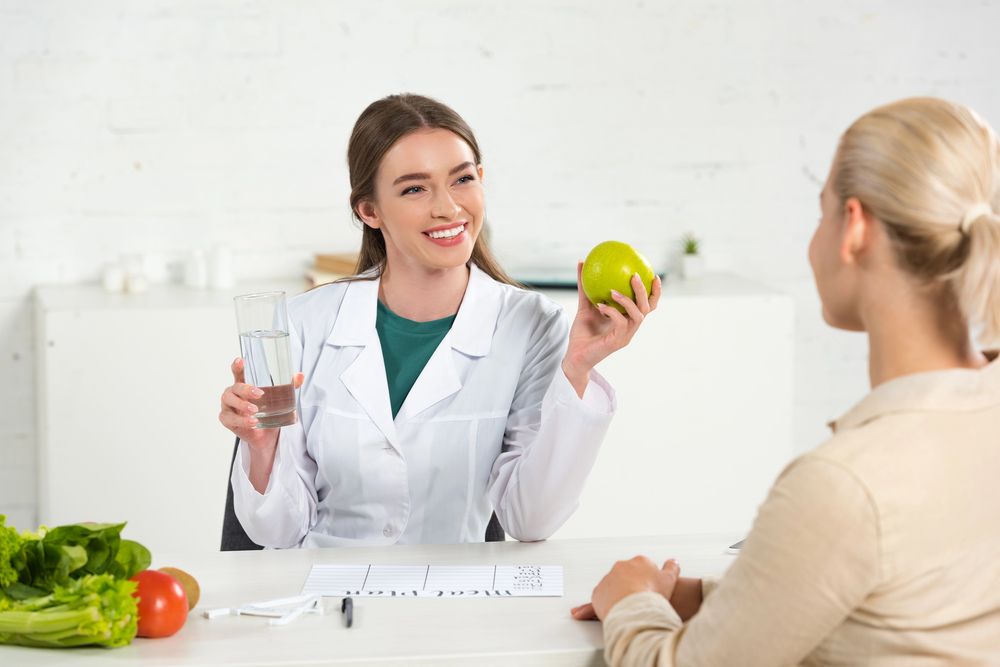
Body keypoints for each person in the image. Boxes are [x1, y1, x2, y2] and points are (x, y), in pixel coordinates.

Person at [573, 97, 1000, 665]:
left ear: (854, 228)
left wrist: (630, 602)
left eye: (821, 212)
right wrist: (701, 599)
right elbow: (889, 600)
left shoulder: (843, 485)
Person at [218, 93, 661, 548]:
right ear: (369, 210)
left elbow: (531, 521)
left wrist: (577, 371)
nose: (448, 208)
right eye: (414, 188)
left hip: (459, 606)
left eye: (462, 179)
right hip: (332, 599)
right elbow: (275, 533)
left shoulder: (532, 326)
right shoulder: (301, 324)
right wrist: (261, 445)